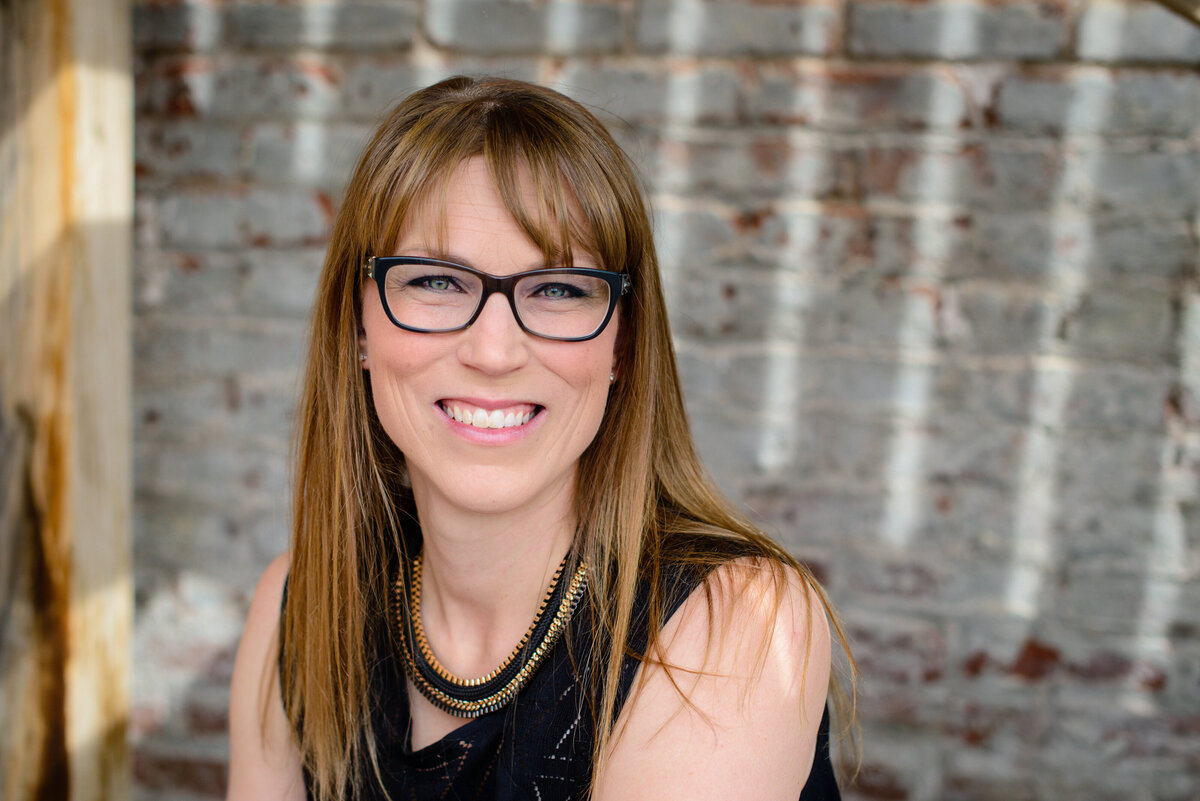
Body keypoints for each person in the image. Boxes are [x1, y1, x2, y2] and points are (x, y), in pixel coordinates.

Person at [227, 75, 856, 801]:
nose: (494, 351)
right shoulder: (297, 605)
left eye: (558, 288)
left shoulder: (732, 624)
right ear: (360, 325)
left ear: (622, 343)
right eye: (436, 281)